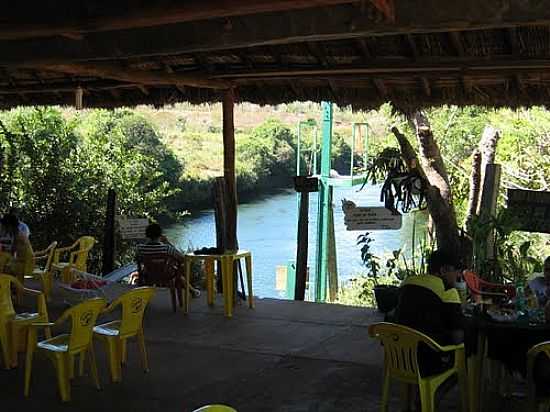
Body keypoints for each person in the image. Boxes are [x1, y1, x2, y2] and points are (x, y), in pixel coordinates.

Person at [395, 249, 464, 377]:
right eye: (457, 271)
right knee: (463, 360)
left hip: (400, 359)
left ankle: (417, 394)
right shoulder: (448, 291)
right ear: (444, 270)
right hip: (428, 364)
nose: (459, 276)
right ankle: (430, 395)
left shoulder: (406, 283)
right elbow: (457, 338)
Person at [136, 223, 200, 298]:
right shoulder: (167, 248)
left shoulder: (140, 248)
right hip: (166, 275)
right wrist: (167, 242)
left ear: (146, 235)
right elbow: (182, 258)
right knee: (178, 273)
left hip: (148, 275)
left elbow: (137, 260)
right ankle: (192, 291)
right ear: (160, 235)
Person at [1, 213, 34, 281]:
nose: (4, 228)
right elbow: (13, 250)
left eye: (5, 226)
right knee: (4, 263)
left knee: (4, 269)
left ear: (9, 226)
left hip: (25, 263)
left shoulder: (19, 236)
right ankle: (9, 287)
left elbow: (14, 250)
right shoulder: (17, 233)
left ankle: (7, 287)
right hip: (21, 261)